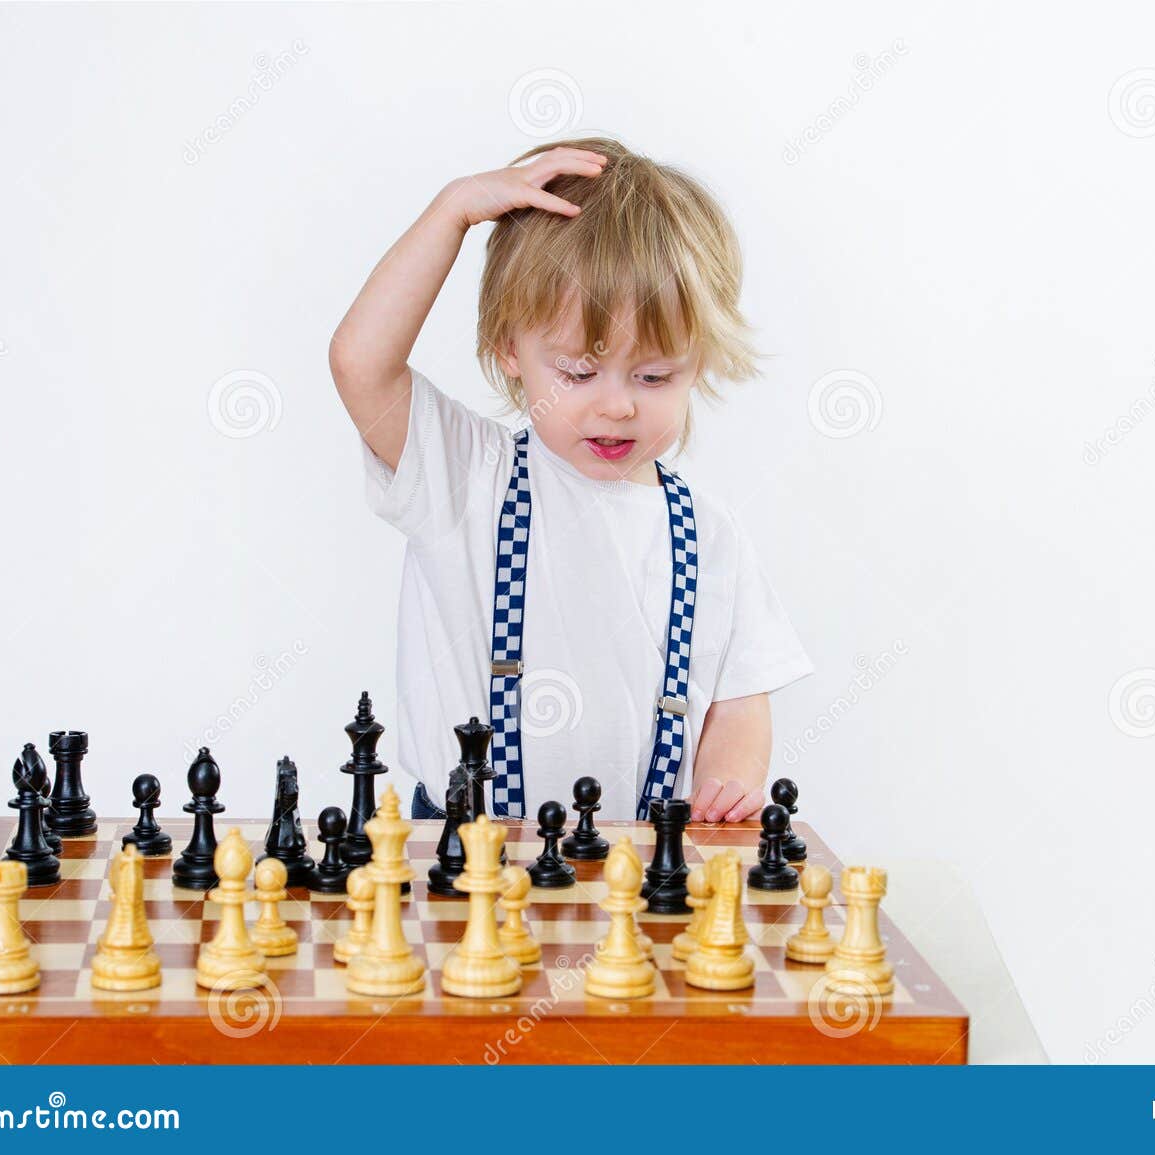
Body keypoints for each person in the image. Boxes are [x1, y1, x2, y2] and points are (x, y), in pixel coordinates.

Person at [329, 137, 813, 823]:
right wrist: (452, 212)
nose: (616, 404)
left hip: (640, 868)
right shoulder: (468, 477)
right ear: (509, 348)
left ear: (698, 362)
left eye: (654, 376)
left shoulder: (710, 535)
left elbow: (740, 696)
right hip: (464, 866)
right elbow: (360, 363)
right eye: (580, 372)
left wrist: (728, 777)